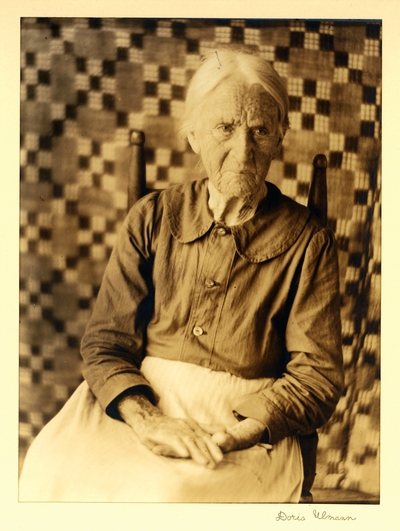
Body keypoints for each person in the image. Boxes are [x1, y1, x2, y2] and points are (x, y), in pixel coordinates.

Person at [19, 47, 343, 503]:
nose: (243, 150)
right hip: (138, 401)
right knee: (47, 467)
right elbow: (105, 343)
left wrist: (243, 432)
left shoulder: (308, 241)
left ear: (280, 137)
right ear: (193, 136)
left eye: (259, 130)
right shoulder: (152, 217)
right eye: (224, 128)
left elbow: (318, 377)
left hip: (244, 421)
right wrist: (147, 418)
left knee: (165, 495)